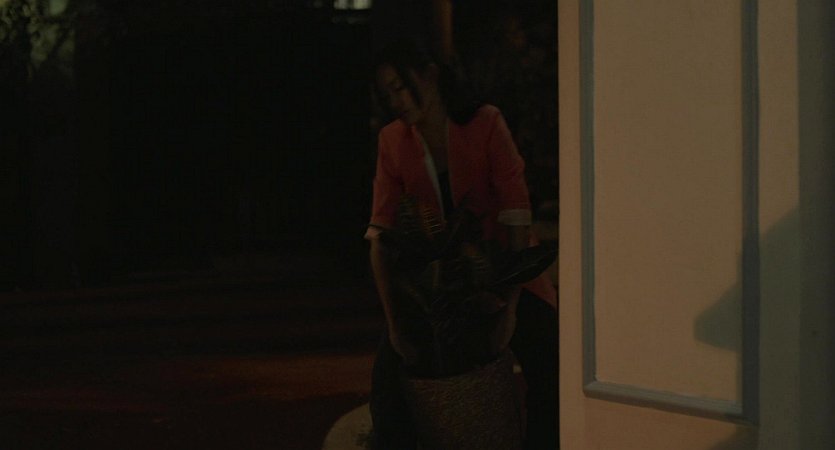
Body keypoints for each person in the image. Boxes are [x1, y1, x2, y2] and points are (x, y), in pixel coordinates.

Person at [365, 39, 558, 450]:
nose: (396, 102)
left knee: (550, 361)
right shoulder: (393, 141)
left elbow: (516, 215)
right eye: (387, 94)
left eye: (400, 87)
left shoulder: (485, 123)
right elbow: (380, 236)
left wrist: (508, 307)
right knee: (388, 385)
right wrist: (396, 326)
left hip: (503, 267)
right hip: (438, 283)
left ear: (430, 75)